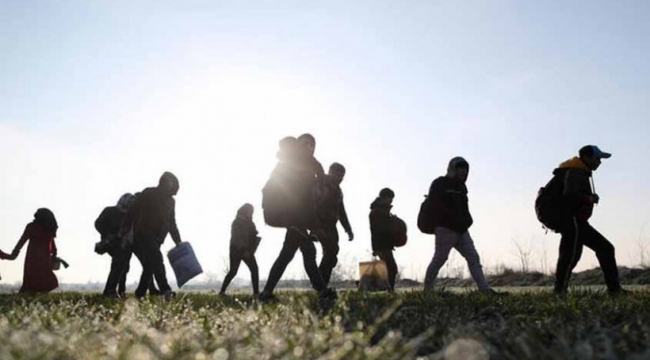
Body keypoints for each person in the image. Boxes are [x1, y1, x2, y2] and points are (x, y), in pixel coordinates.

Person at [260, 133, 335, 302]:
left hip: (294, 219)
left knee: (286, 255)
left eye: (311, 144)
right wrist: (315, 227)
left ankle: (266, 293)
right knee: (308, 253)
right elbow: (302, 202)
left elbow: (307, 202)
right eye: (304, 143)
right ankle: (322, 292)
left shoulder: (302, 167)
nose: (308, 147)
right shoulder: (298, 168)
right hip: (294, 218)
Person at [551, 145, 624, 295]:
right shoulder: (575, 173)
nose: (599, 162)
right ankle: (614, 290)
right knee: (580, 253)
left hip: (575, 221)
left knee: (574, 254)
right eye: (597, 158)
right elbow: (569, 198)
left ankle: (560, 291)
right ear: (586, 157)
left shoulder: (577, 171)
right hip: (572, 220)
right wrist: (588, 198)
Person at [422, 157, 493, 293]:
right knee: (440, 259)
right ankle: (427, 290)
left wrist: (467, 221)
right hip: (445, 229)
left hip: (462, 230)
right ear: (452, 169)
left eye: (465, 170)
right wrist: (446, 220)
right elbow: (433, 205)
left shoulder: (462, 187)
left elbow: (464, 208)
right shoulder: (439, 183)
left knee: (473, 257)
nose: (463, 172)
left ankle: (484, 290)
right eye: (460, 169)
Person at [123, 172, 182, 298]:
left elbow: (172, 223)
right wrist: (126, 231)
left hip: (158, 238)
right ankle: (165, 290)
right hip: (143, 234)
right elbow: (133, 212)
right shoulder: (148, 193)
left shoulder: (171, 202)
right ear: (165, 183)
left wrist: (178, 242)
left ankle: (140, 293)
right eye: (172, 185)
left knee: (150, 265)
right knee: (157, 259)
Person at [317, 162, 354, 286]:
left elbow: (342, 211)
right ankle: (320, 283)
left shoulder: (338, 191)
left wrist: (348, 229)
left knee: (331, 255)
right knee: (331, 251)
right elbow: (312, 206)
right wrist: (314, 227)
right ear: (330, 172)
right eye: (337, 176)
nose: (340, 179)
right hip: (320, 223)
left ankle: (322, 284)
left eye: (342, 177)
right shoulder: (320, 185)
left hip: (332, 225)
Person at [95, 193, 137, 298]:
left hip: (127, 244)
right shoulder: (110, 211)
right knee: (118, 264)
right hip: (113, 243)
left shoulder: (131, 215)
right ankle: (110, 290)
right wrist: (107, 234)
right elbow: (98, 223)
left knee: (124, 266)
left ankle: (120, 290)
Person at [7, 208, 59, 293]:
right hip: (45, 258)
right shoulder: (48, 228)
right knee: (44, 278)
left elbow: (22, 240)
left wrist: (14, 253)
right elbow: (52, 243)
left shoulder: (31, 227)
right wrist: (54, 254)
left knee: (31, 278)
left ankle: (27, 297)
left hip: (32, 257)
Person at [220, 204, 261, 296]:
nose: (251, 213)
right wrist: (245, 250)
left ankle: (256, 292)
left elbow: (252, 234)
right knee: (234, 271)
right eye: (250, 211)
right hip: (238, 250)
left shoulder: (249, 222)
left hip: (245, 250)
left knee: (253, 269)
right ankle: (222, 291)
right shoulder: (237, 222)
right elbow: (238, 238)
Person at [369, 188, 399, 291]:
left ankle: (388, 290)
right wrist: (376, 248)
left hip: (385, 245)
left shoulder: (382, 211)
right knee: (392, 268)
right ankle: (390, 291)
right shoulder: (377, 212)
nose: (391, 201)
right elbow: (375, 231)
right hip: (382, 245)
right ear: (383, 198)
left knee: (388, 269)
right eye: (389, 199)